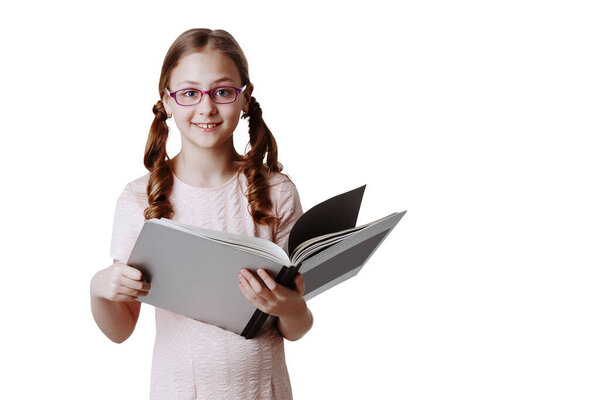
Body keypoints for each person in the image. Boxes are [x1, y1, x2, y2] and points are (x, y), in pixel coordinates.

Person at [89, 28, 313, 400]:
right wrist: (99, 288)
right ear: (168, 99)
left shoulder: (276, 192)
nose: (206, 108)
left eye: (222, 92)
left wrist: (290, 307)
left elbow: (296, 327)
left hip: (263, 391)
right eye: (190, 92)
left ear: (245, 99)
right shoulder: (139, 198)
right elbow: (120, 330)